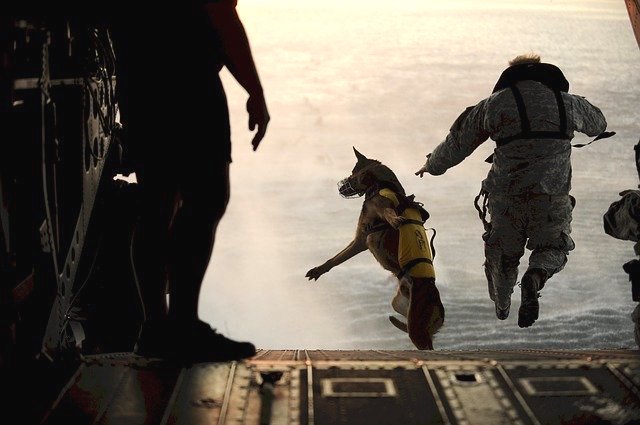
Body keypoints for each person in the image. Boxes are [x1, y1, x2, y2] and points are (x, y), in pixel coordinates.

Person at [109, 0, 270, 361]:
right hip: (189, 82)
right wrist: (255, 90)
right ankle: (182, 325)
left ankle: (156, 328)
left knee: (157, 202)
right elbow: (220, 14)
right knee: (207, 197)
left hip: (139, 81)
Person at [415, 54, 607, 328]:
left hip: (506, 199)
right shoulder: (567, 102)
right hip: (551, 198)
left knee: (502, 257)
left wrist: (431, 166)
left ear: (511, 75)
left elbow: (457, 145)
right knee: (552, 246)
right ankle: (535, 277)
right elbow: (599, 124)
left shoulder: (493, 105)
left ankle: (503, 305)